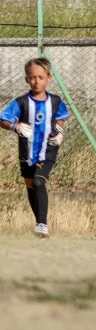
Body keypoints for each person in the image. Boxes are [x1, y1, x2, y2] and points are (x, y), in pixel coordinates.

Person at [0, 58, 70, 238]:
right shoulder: (21, 102)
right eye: (32, 77)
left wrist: (59, 132)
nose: (36, 81)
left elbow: (61, 116)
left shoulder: (55, 101)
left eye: (40, 77)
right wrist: (15, 127)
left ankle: (42, 224)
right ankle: (39, 222)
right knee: (31, 185)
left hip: (48, 149)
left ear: (48, 78)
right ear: (27, 79)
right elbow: (3, 119)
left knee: (39, 181)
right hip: (27, 152)